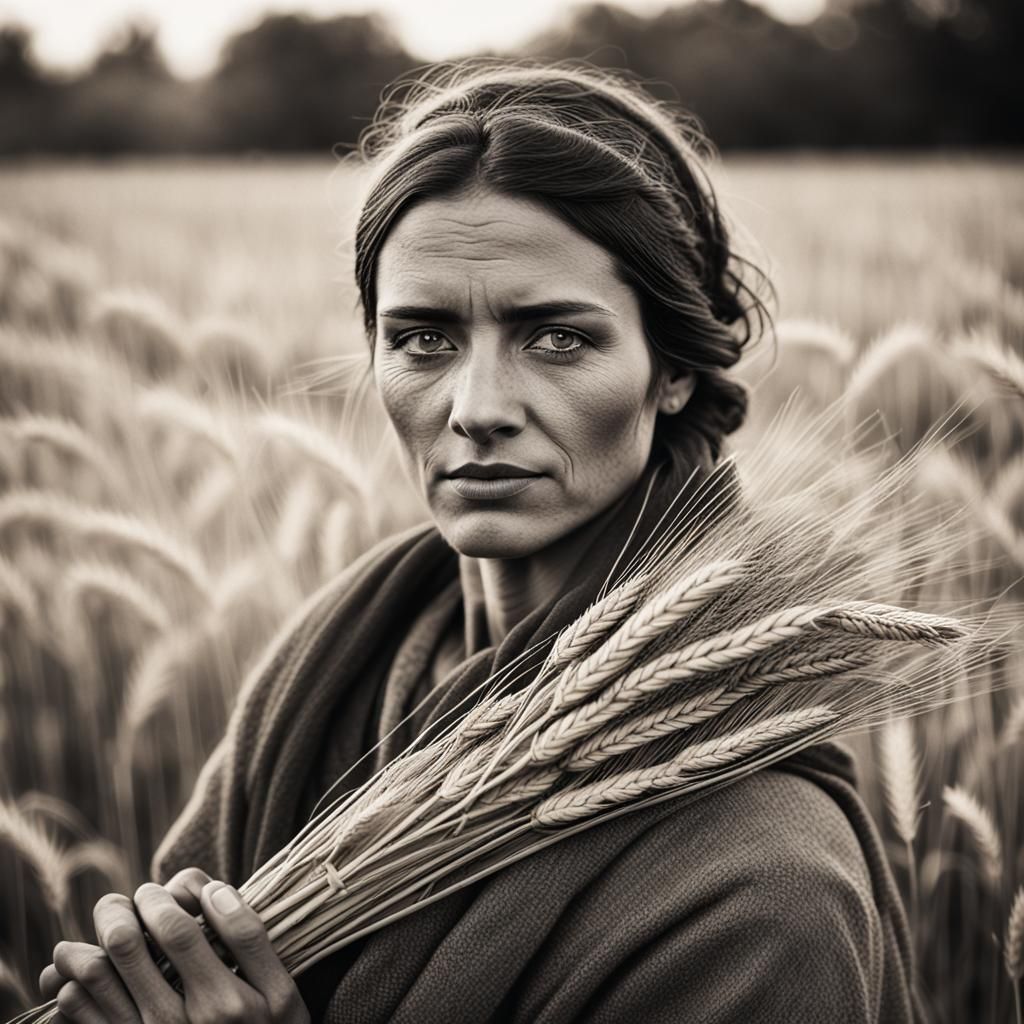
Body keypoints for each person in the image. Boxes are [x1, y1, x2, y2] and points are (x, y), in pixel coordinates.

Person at [40, 60, 924, 1023]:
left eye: (557, 338)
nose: (475, 408)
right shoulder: (331, 672)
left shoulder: (766, 894)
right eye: (423, 339)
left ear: (671, 369)